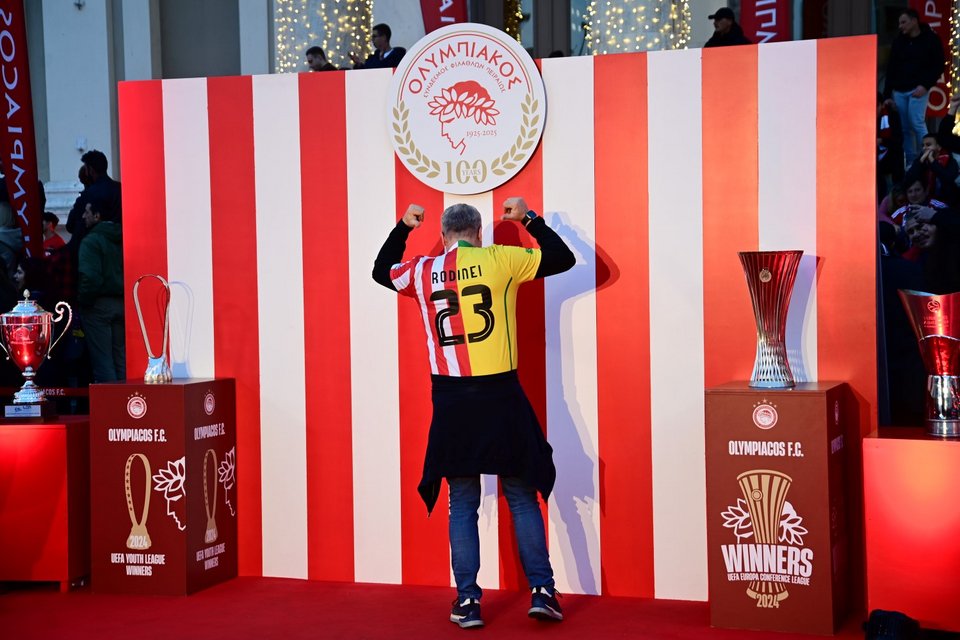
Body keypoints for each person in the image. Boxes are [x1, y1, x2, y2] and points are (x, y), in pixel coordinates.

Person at [372, 197, 575, 629]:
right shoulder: (500, 259)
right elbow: (563, 258)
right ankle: (543, 591)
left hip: (452, 401)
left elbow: (380, 270)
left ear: (443, 235)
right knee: (521, 496)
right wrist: (529, 218)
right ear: (479, 234)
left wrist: (404, 227)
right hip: (501, 394)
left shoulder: (422, 271)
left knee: (461, 502)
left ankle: (467, 601)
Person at [883, 8, 945, 167]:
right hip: (899, 91)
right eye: (899, 23)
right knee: (905, 128)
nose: (900, 26)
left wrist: (925, 85)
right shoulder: (899, 41)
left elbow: (938, 65)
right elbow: (891, 68)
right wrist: (887, 94)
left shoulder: (930, 39)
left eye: (903, 22)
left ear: (914, 21)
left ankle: (929, 158)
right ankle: (911, 163)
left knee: (916, 122)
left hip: (918, 89)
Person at [78, 195, 125, 382]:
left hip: (98, 306)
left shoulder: (91, 241)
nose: (83, 216)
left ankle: (110, 400)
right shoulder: (122, 237)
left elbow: (89, 277)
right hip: (121, 304)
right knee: (121, 359)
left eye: (87, 212)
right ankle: (127, 398)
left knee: (103, 361)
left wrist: (84, 301)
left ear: (97, 216)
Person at [904, 132, 959, 207]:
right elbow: (909, 179)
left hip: (947, 201)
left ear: (939, 147)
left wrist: (932, 161)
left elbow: (948, 178)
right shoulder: (921, 160)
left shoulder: (950, 160)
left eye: (928, 145)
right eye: (923, 145)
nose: (924, 148)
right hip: (924, 200)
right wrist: (920, 161)